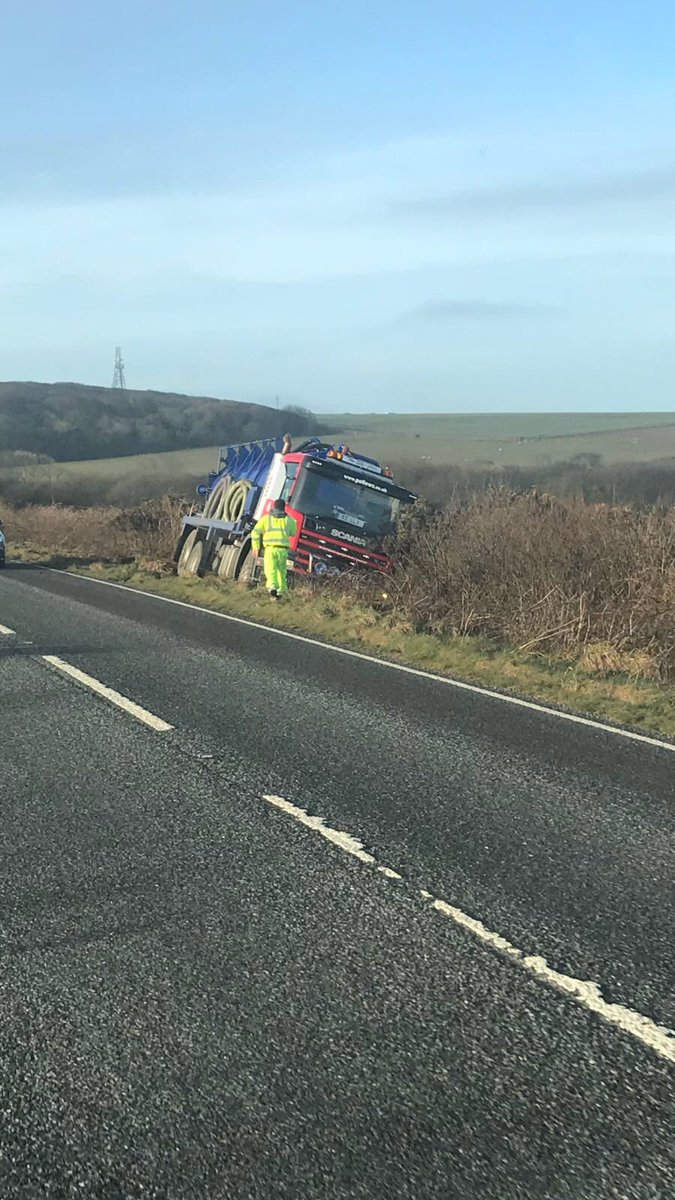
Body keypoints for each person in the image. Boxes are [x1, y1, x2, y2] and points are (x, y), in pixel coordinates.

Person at [250, 498, 297, 598]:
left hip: (270, 549)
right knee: (281, 571)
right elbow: (293, 533)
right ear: (284, 508)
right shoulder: (289, 520)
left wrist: (256, 547)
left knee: (270, 569)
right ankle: (281, 591)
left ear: (274, 506)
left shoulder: (266, 519)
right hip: (283, 550)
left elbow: (255, 532)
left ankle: (272, 587)